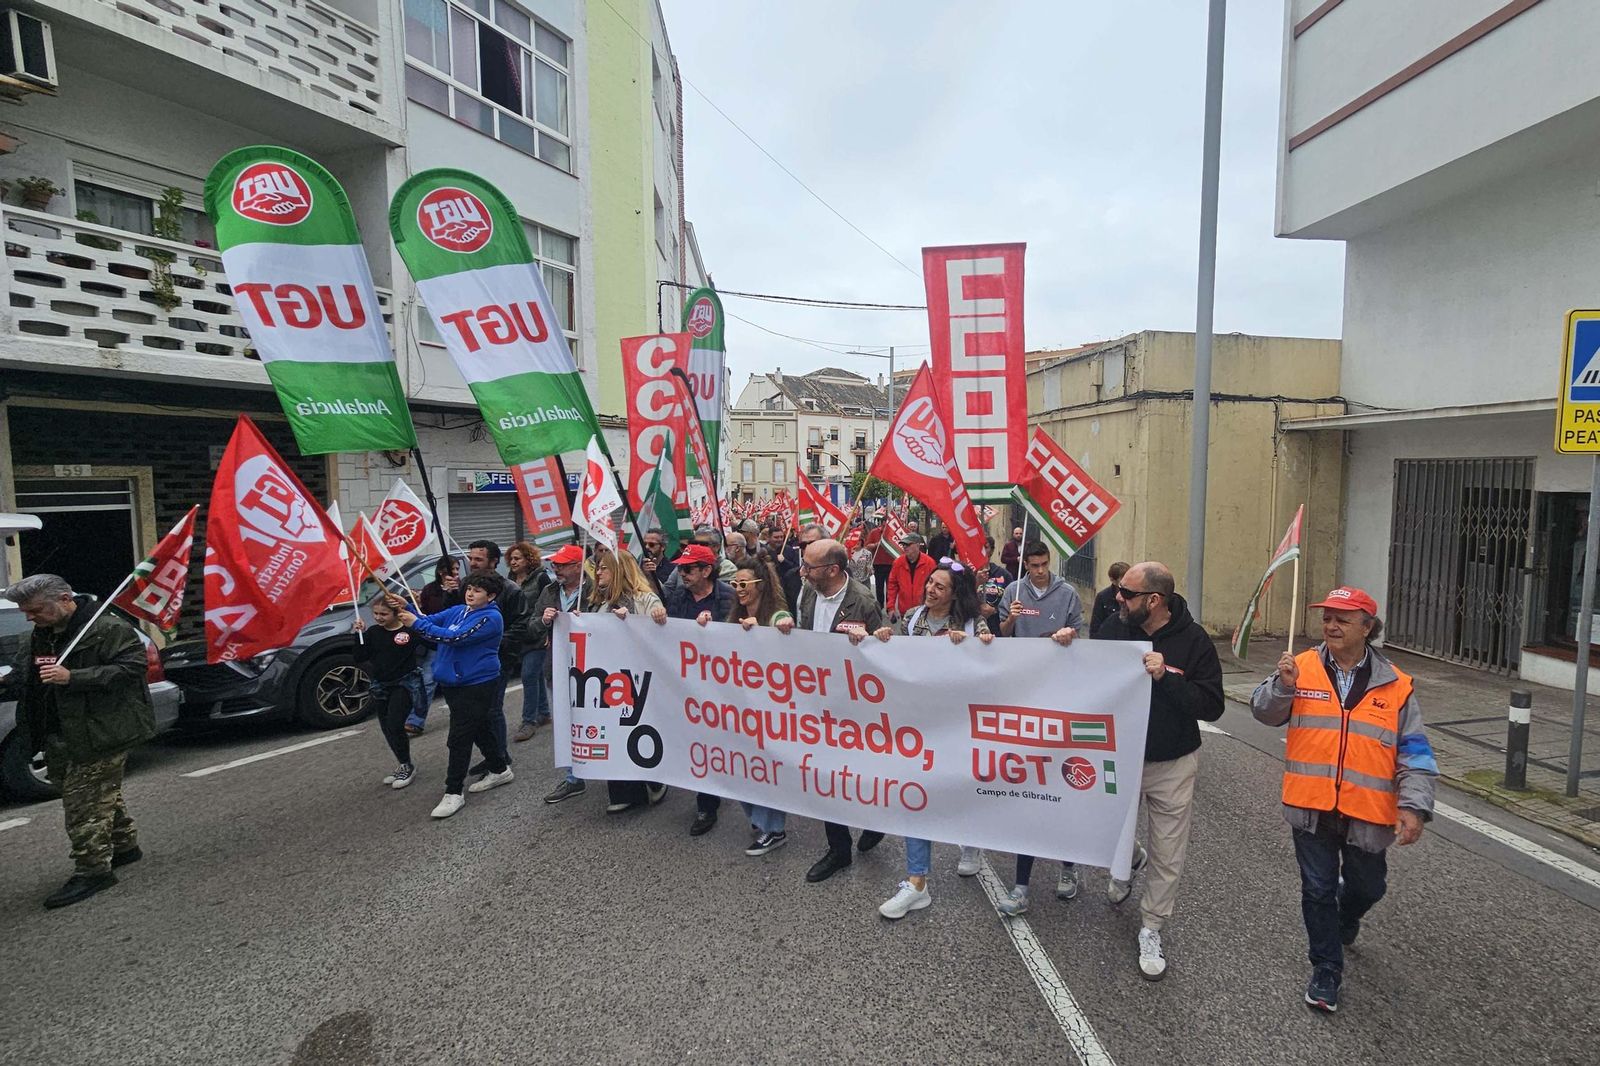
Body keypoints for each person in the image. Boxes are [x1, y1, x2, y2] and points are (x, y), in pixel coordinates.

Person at [1250, 586, 1438, 1014]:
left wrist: (1413, 806)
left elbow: (1415, 751)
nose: (1331, 626)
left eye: (1343, 619)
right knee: (1316, 889)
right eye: (1327, 617)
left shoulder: (1396, 685)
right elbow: (1262, 711)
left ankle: (1348, 916)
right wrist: (1282, 686)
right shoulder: (1299, 667)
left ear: (1367, 627)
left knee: (1368, 887)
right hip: (1311, 807)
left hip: (1367, 813)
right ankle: (1326, 969)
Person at [1085, 561, 1223, 980]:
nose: (1116, 598)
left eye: (1126, 593)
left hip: (1172, 762)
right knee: (1103, 832)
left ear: (1154, 600)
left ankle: (1151, 927)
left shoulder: (1195, 641)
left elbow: (1211, 705)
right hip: (1119, 759)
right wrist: (1067, 646)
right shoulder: (1114, 628)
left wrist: (1167, 678)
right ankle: (1128, 858)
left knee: (1168, 852)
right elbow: (1087, 678)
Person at [5, 575, 156, 909]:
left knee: (82, 805)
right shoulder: (41, 634)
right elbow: (28, 675)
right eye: (26, 612)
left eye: (36, 610)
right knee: (100, 794)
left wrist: (74, 677)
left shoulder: (106, 629)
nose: (30, 617)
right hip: (61, 733)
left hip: (104, 730)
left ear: (64, 598)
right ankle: (124, 845)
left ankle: (93, 870)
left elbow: (133, 667)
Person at [870, 562, 994, 919]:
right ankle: (917, 882)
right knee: (916, 796)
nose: (931, 590)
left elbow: (992, 663)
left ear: (955, 593)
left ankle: (972, 844)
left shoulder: (971, 623)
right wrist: (882, 639)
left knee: (962, 791)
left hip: (958, 727)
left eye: (940, 586)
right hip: (918, 726)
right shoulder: (911, 618)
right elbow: (892, 653)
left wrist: (976, 645)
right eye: (930, 583)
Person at [775, 538, 888, 883]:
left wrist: (870, 639)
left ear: (833, 570)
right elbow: (795, 622)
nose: (802, 571)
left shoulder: (863, 601)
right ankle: (838, 849)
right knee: (826, 774)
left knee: (858, 773)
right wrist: (784, 622)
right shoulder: (808, 592)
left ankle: (875, 822)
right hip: (816, 700)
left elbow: (882, 654)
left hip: (853, 705)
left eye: (809, 566)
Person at [995, 540, 1088, 914]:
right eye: (1032, 565)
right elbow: (1001, 636)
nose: (1038, 570)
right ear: (1024, 564)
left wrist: (1068, 636)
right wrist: (1012, 618)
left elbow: (1079, 638)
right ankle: (1021, 885)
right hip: (1022, 697)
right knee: (1028, 791)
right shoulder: (1013, 590)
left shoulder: (1066, 594)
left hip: (1057, 699)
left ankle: (1068, 866)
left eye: (1043, 564)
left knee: (1060, 786)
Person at [396, 574, 512, 819]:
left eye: (478, 590)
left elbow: (453, 638)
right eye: (469, 588)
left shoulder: (491, 618)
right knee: (478, 728)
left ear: (490, 596)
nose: (470, 593)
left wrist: (415, 624)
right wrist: (405, 606)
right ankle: (499, 768)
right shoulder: (459, 610)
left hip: (477, 683)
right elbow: (427, 620)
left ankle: (453, 791)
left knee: (459, 737)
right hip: (453, 681)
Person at [652, 543, 735, 834]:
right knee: (699, 741)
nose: (682, 574)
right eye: (680, 569)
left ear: (707, 570)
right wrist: (659, 618)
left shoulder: (728, 596)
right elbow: (670, 631)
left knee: (721, 741)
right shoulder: (678, 595)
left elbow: (740, 636)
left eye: (688, 569)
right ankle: (706, 805)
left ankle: (726, 786)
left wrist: (716, 629)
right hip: (689, 684)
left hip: (723, 685)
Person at [724, 558, 794, 855]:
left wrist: (777, 627)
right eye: (735, 584)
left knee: (764, 769)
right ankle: (759, 817)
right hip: (740, 708)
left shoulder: (775, 614)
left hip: (769, 711)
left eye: (744, 585)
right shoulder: (734, 617)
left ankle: (773, 829)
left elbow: (785, 627)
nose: (738, 590)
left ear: (760, 586)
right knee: (741, 766)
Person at [591, 548, 668, 814]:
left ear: (619, 571)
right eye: (598, 568)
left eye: (604, 568)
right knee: (616, 730)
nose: (598, 572)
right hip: (610, 678)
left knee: (641, 729)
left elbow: (662, 634)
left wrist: (638, 621)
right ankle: (625, 791)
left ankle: (655, 779)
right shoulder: (598, 602)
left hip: (641, 677)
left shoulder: (646, 599)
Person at [532, 544, 593, 804]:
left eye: (562, 564)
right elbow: (531, 626)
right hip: (556, 667)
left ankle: (610, 767)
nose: (555, 568)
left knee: (596, 721)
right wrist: (543, 621)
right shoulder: (549, 591)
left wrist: (586, 620)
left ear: (578, 566)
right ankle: (573, 777)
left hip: (593, 670)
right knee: (566, 723)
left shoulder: (595, 589)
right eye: (554, 564)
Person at [353, 594, 427, 791]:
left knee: (395, 724)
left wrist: (420, 622)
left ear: (396, 613)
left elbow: (433, 643)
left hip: (405, 684)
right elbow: (360, 657)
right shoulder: (374, 633)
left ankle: (407, 766)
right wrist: (358, 635)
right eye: (375, 613)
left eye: (384, 614)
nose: (378, 617)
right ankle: (403, 762)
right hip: (381, 685)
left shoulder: (409, 631)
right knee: (386, 727)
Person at [464, 540, 524, 776]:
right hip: (472, 659)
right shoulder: (466, 587)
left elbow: (520, 625)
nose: (472, 563)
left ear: (493, 562)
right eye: (471, 558)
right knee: (478, 711)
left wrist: (495, 640)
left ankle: (500, 759)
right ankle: (493, 755)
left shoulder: (510, 589)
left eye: (478, 559)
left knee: (492, 709)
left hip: (499, 659)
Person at [410, 555, 462, 733]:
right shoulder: (429, 590)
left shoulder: (462, 588)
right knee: (425, 681)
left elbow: (459, 612)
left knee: (444, 681)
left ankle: (459, 716)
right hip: (432, 641)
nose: (454, 573)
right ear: (440, 571)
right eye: (451, 570)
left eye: (457, 569)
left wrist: (451, 592)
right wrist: (415, 605)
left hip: (452, 640)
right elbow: (426, 613)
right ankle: (416, 720)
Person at [507, 542, 552, 743]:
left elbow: (548, 604)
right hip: (520, 635)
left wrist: (549, 632)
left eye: (518, 558)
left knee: (528, 674)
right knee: (535, 675)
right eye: (512, 558)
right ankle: (543, 712)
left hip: (538, 633)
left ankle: (529, 721)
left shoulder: (541, 577)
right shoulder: (510, 579)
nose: (513, 562)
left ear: (528, 559)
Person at [885, 532, 935, 619]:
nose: (905, 547)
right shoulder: (898, 563)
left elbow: (935, 587)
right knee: (905, 632)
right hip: (905, 612)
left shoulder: (929, 563)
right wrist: (890, 607)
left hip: (924, 611)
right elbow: (892, 586)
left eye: (908, 544)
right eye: (903, 544)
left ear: (917, 545)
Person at [780, 523, 823, 614]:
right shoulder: (791, 576)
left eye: (813, 543)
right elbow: (782, 607)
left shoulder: (838, 575)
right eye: (803, 545)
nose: (808, 548)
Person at [975, 534, 1011, 631]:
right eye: (979, 547)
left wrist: (994, 610)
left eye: (985, 547)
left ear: (992, 550)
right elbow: (960, 601)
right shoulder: (966, 573)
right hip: (974, 629)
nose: (982, 551)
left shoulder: (1004, 575)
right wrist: (976, 583)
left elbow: (1011, 602)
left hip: (997, 628)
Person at [1091, 561, 1131, 633]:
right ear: (1113, 580)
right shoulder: (1103, 597)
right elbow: (1095, 627)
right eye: (1123, 579)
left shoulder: (1134, 595)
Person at [868, 515, 895, 606]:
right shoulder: (874, 532)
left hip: (891, 564)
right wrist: (877, 544)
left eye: (887, 527)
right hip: (878, 564)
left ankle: (889, 606)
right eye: (884, 526)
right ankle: (880, 605)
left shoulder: (893, 534)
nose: (885, 528)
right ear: (881, 524)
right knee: (879, 586)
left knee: (890, 587)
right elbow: (867, 546)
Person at [639, 529, 676, 594]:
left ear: (663, 547)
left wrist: (651, 576)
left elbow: (668, 594)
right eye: (644, 544)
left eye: (651, 544)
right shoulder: (637, 565)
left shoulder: (672, 569)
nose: (647, 547)